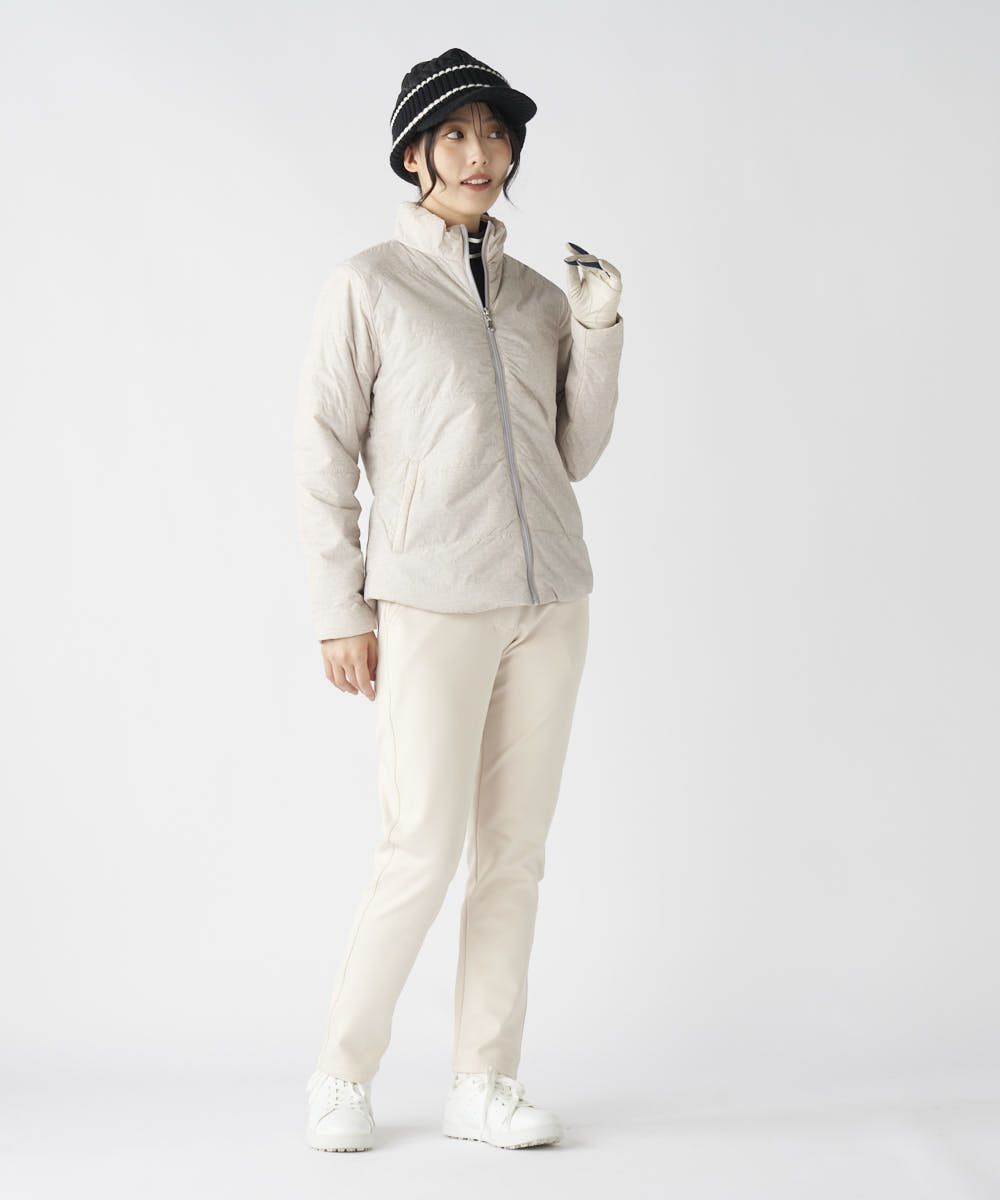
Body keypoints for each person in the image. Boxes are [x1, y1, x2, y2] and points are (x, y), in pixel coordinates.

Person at [295, 47, 625, 1152]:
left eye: (495, 134)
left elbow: (574, 451)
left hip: (550, 599)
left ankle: (483, 1079)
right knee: (420, 849)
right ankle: (342, 1074)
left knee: (515, 851)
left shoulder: (537, 299)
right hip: (431, 599)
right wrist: (342, 609)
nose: (482, 155)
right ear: (414, 155)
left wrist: (597, 332)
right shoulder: (368, 286)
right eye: (456, 135)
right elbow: (322, 453)